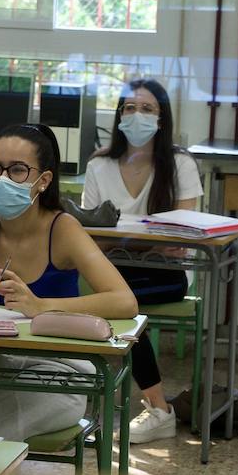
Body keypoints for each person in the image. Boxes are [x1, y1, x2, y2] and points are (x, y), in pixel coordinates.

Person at [0, 122, 139, 442]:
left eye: (18, 170)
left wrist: (40, 306)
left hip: (57, 377)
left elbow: (124, 301)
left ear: (43, 180)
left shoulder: (62, 229)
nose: (2, 179)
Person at [83, 78, 204, 444]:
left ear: (162, 119)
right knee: (116, 302)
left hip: (166, 275)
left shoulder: (180, 163)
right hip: (114, 272)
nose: (138, 115)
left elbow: (180, 241)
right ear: (119, 116)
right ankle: (141, 407)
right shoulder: (100, 165)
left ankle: (157, 409)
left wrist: (122, 241)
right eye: (130, 108)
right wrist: (144, 242)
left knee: (118, 306)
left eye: (148, 109)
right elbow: (91, 236)